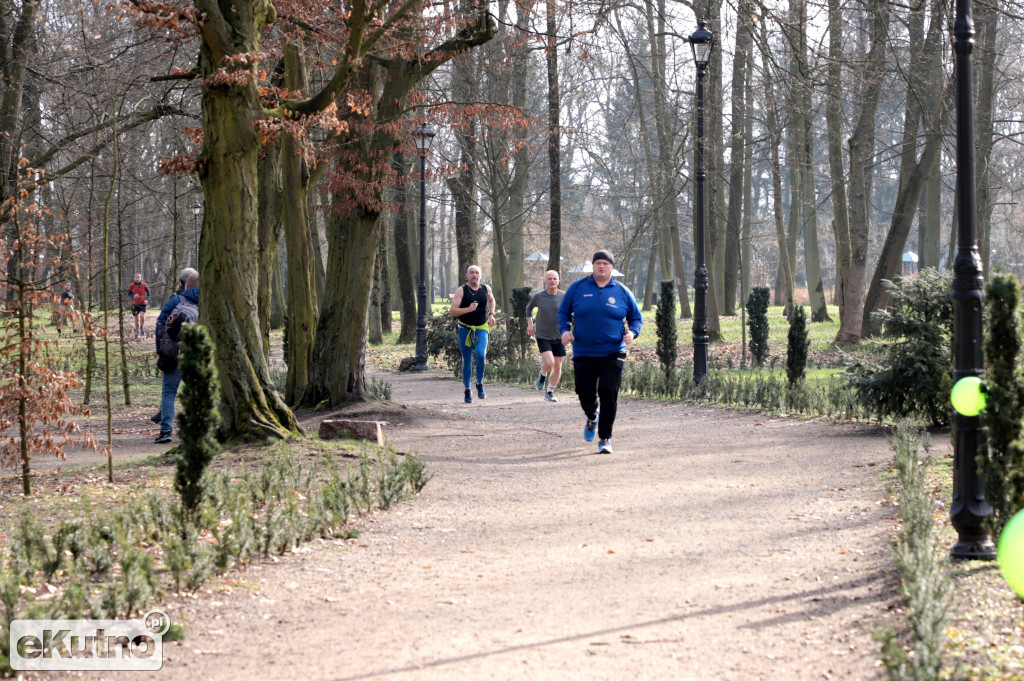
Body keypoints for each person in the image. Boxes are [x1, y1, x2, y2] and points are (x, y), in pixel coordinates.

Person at [558, 250, 642, 454]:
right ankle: (592, 416)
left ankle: (605, 438)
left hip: (613, 352)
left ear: (612, 267)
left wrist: (633, 334)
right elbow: (563, 312)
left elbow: (636, 318)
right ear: (593, 266)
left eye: (605, 263)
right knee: (585, 395)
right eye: (598, 263)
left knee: (608, 391)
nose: (601, 267)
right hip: (584, 351)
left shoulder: (622, 291)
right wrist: (565, 330)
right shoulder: (578, 287)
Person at [153, 268, 199, 444]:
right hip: (194, 356)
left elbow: (160, 325)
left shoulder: (175, 301)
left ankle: (166, 431)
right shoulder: (208, 303)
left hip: (172, 354)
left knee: (169, 393)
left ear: (185, 285)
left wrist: (162, 350)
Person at [449, 265, 496, 403]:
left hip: (481, 327)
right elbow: (452, 311)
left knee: (481, 355)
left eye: (477, 273)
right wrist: (468, 309)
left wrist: (492, 314)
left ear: (480, 275)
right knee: (467, 359)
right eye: (471, 273)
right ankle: (467, 389)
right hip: (465, 328)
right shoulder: (461, 291)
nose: (474, 275)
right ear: (467, 275)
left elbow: (491, 300)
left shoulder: (486, 288)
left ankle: (480, 383)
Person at [526, 270, 566, 403]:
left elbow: (570, 313)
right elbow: (528, 309)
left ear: (558, 281)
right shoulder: (538, 296)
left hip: (559, 335)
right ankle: (542, 373)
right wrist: (530, 325)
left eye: (555, 279)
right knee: (549, 362)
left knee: (558, 366)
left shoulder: (564, 297)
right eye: (549, 279)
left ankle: (549, 392)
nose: (552, 281)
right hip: (543, 334)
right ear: (545, 281)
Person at [128, 272, 150, 339]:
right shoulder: (131, 285)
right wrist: (133, 296)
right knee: (136, 318)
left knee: (142, 317)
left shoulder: (144, 285)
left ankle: (142, 327)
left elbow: (149, 293)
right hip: (134, 304)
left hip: (142, 303)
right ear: (134, 278)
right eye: (136, 277)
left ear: (140, 278)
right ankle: (137, 331)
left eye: (138, 277)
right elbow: (129, 294)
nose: (137, 279)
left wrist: (146, 299)